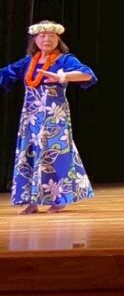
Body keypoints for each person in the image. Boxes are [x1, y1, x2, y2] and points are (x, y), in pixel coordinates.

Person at [0, 20, 96, 214]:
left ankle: (59, 199)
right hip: (31, 117)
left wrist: (63, 77)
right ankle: (31, 200)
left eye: (52, 36)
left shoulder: (64, 60)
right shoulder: (28, 61)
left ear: (58, 39)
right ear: (35, 40)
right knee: (29, 153)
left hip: (55, 115)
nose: (47, 39)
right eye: (42, 36)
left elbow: (87, 75)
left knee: (55, 153)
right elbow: (5, 74)